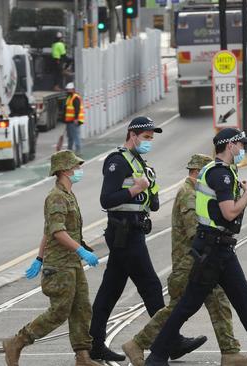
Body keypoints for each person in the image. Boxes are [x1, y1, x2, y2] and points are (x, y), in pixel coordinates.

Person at [144, 128, 247, 366]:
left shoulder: (218, 170)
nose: (243, 150)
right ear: (229, 146)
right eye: (240, 145)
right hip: (213, 249)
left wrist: (242, 192)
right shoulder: (221, 174)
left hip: (220, 249)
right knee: (187, 305)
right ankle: (156, 356)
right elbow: (229, 213)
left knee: (245, 304)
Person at [122, 153, 247, 366]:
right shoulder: (189, 194)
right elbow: (194, 231)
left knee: (217, 303)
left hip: (202, 261)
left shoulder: (196, 192)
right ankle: (138, 343)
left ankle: (230, 352)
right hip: (190, 265)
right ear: (197, 172)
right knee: (177, 310)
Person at [89, 116, 207, 362]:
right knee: (151, 287)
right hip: (124, 232)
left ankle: (95, 343)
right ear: (133, 135)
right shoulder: (117, 161)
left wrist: (150, 188)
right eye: (146, 137)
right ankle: (170, 341)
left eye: (151, 138)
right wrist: (136, 188)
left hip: (134, 231)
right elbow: (106, 199)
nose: (149, 142)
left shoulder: (140, 164)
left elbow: (152, 204)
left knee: (110, 291)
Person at [2, 150, 102, 366]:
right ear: (65, 170)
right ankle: (17, 342)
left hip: (71, 264)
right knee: (59, 311)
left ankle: (83, 357)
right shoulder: (56, 196)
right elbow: (57, 231)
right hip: (60, 265)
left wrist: (39, 257)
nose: (79, 170)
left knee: (82, 309)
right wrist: (81, 251)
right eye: (76, 167)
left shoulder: (67, 194)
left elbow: (48, 230)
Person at [64, 83, 84, 155]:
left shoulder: (75, 98)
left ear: (73, 89)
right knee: (70, 137)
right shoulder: (69, 97)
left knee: (76, 136)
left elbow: (77, 109)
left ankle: (78, 151)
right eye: (67, 90)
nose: (68, 91)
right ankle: (69, 151)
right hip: (69, 121)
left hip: (74, 121)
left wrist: (76, 118)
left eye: (69, 90)